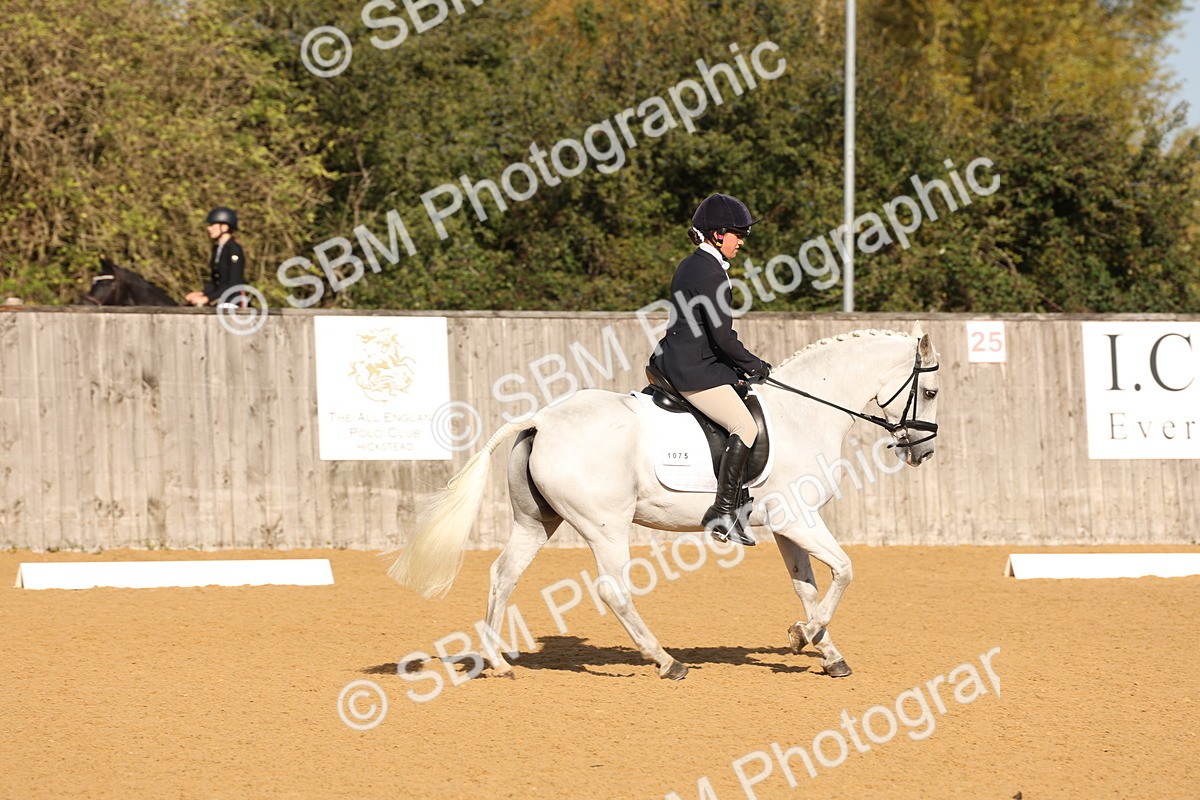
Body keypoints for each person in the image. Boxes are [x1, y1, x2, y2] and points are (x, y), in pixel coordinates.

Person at [652, 193, 772, 547]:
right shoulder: (710, 273)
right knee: (745, 425)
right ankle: (722, 511)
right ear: (718, 234)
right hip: (693, 368)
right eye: (739, 234)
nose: (743, 241)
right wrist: (755, 365)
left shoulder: (692, 265)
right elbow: (722, 337)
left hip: (680, 358)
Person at [185, 207, 246, 307]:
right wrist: (201, 293)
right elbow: (216, 283)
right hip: (219, 299)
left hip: (232, 301)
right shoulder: (217, 249)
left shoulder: (234, 250)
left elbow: (234, 284)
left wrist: (207, 298)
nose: (209, 228)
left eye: (213, 225)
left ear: (225, 227)